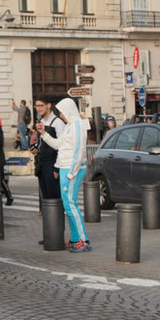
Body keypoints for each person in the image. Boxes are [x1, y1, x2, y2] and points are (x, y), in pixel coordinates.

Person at [39, 96, 90, 252]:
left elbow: (79, 150)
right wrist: (43, 133)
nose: (60, 115)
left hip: (71, 168)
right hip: (65, 167)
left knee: (70, 204)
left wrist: (71, 173)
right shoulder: (70, 126)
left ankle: (83, 240)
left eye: (61, 112)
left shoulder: (77, 126)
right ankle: (76, 238)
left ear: (68, 111)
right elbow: (58, 144)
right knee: (69, 204)